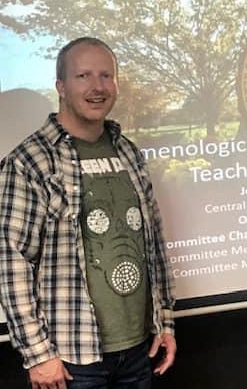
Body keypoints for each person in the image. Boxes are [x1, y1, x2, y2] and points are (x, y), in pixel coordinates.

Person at [0, 37, 177, 389]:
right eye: (83, 76)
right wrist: (37, 354)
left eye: (106, 76)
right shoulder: (30, 162)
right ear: (61, 86)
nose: (97, 87)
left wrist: (165, 321)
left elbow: (152, 242)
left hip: (139, 349)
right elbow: (10, 260)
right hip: (70, 360)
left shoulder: (128, 152)